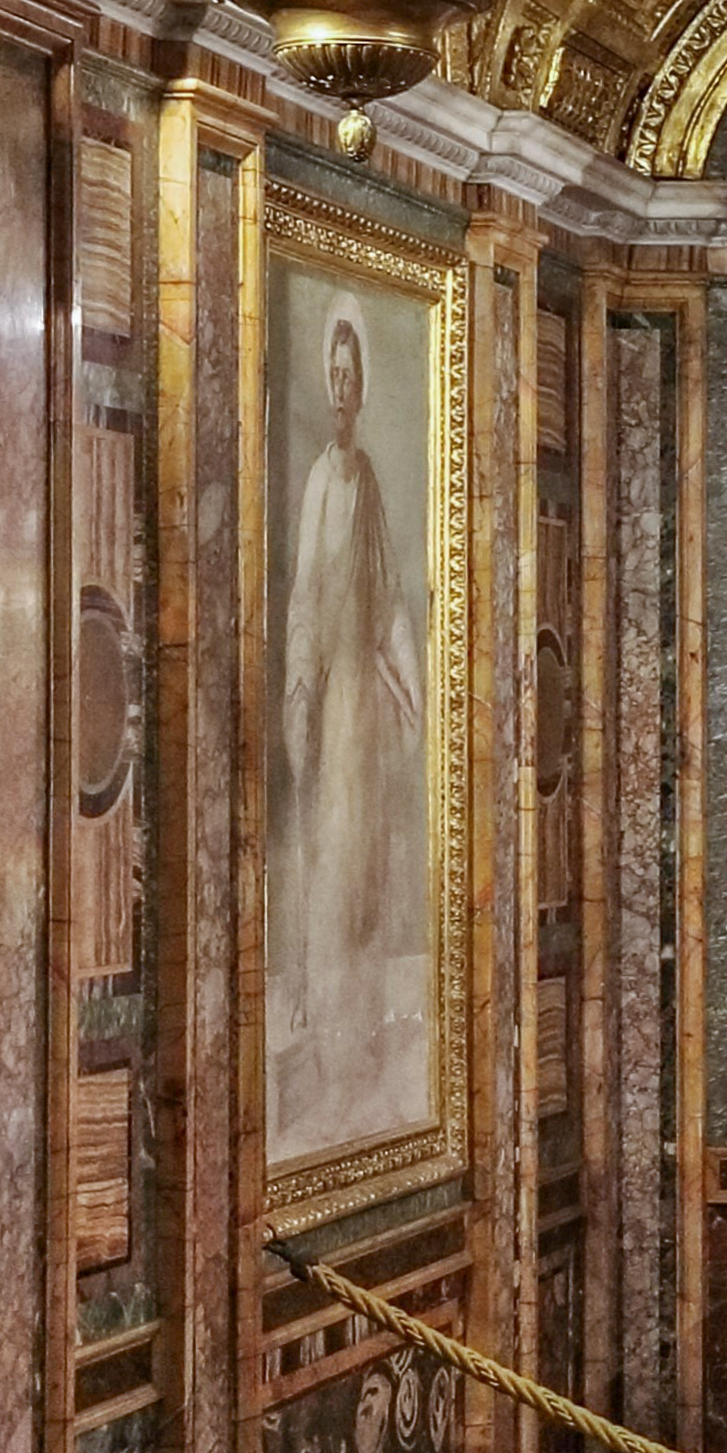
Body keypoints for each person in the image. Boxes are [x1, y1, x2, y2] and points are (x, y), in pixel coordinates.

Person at [274, 303, 427, 1151]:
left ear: (362, 388)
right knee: (329, 874)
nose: (339, 388)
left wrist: (410, 688)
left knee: (364, 875)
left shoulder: (365, 479)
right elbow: (303, 594)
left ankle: (363, 1056)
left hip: (362, 709)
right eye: (330, 376)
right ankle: (332, 1057)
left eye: (349, 376)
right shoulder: (316, 483)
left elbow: (391, 596)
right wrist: (299, 681)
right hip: (328, 699)